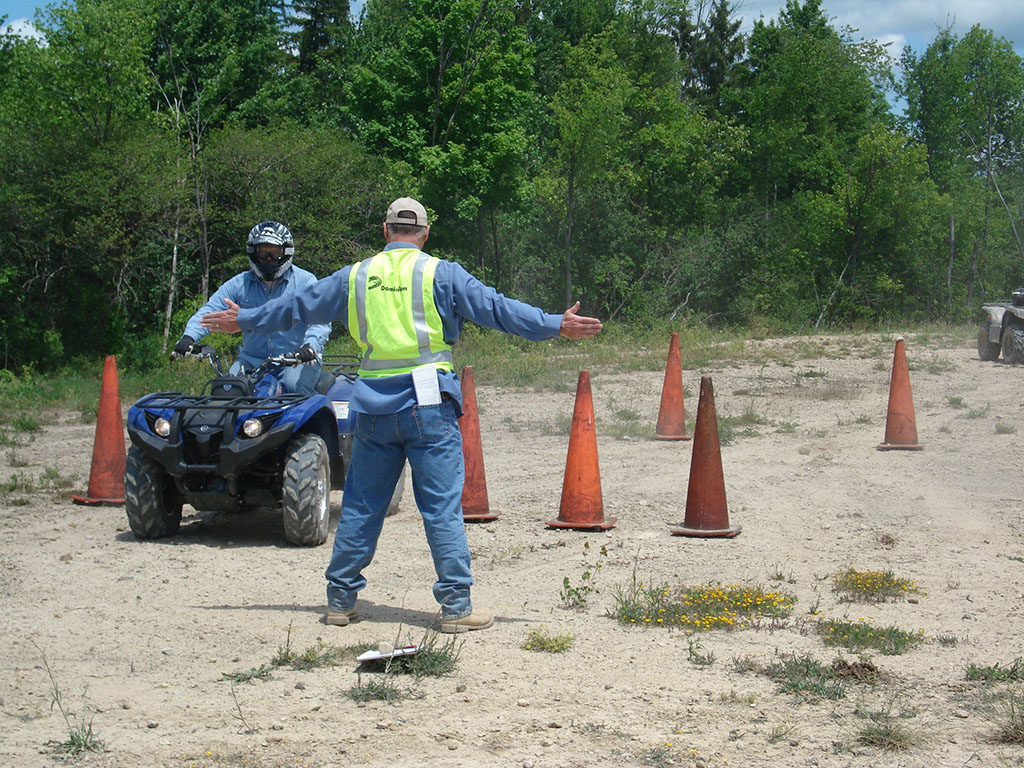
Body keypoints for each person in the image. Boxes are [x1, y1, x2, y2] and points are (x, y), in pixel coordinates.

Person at [201, 198, 602, 632]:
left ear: (385, 230)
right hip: (428, 406)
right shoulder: (441, 273)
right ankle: (456, 608)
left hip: (373, 408)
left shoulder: (356, 275)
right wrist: (554, 324)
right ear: (425, 233)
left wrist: (246, 319)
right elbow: (497, 308)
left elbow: (299, 306)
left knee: (361, 505)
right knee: (441, 509)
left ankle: (340, 601)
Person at [174, 221, 331, 395]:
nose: (268, 259)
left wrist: (310, 346)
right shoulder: (239, 283)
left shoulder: (305, 282)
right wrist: (189, 336)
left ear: (286, 252)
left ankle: (315, 412)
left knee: (294, 389)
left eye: (274, 253)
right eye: (263, 253)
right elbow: (211, 310)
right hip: (251, 361)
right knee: (226, 390)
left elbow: (320, 320)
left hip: (296, 360)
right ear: (253, 252)